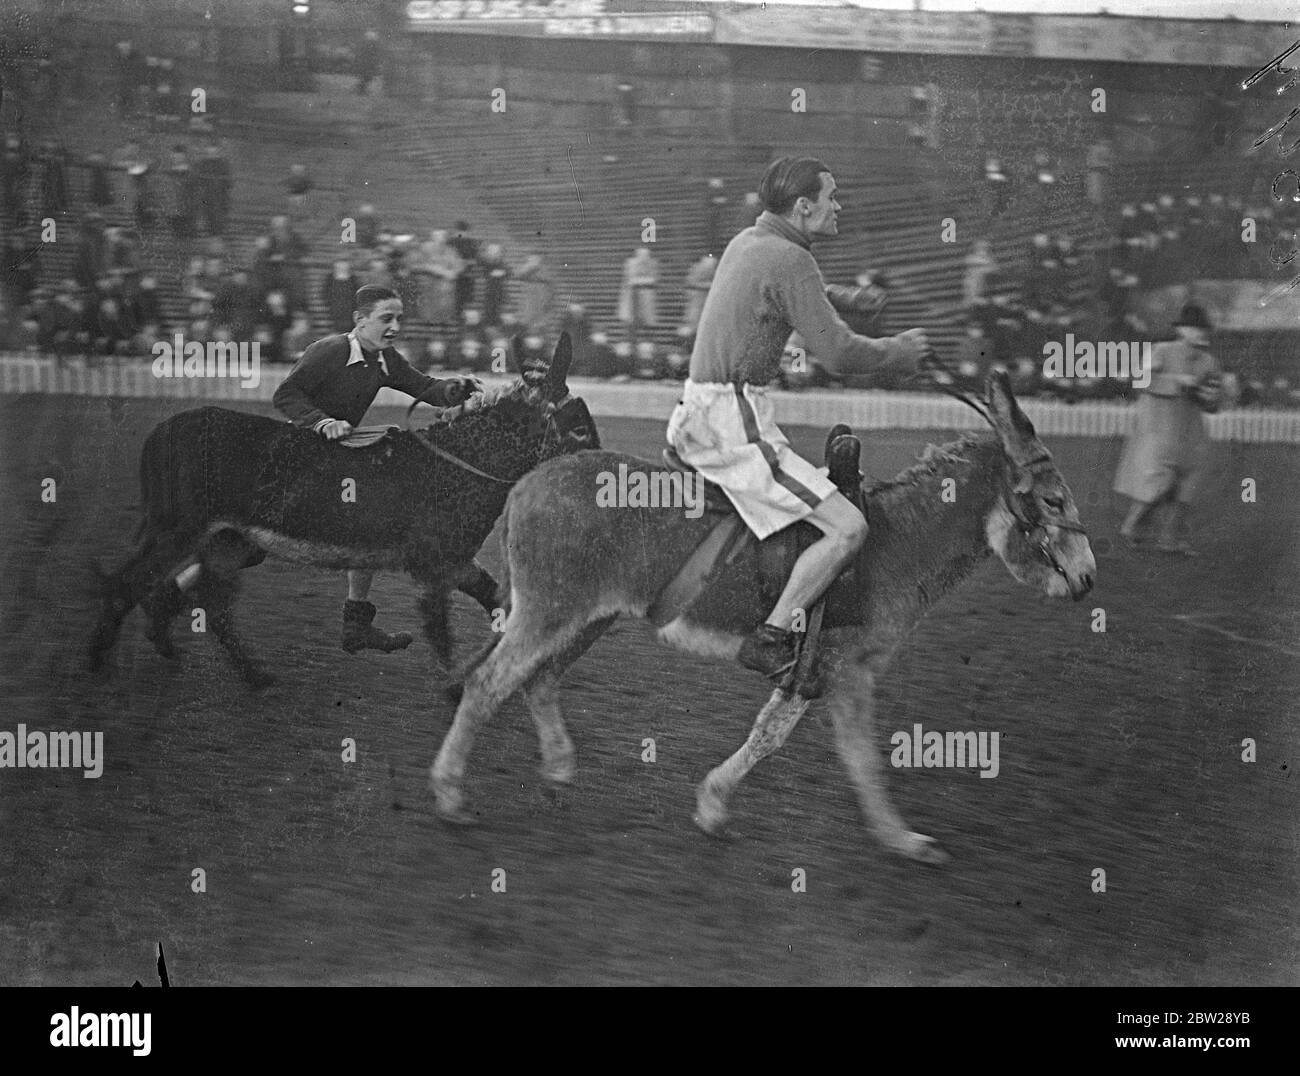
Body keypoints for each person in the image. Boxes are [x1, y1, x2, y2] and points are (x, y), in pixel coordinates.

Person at [667, 157, 929, 678]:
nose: (839, 206)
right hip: (731, 421)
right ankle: (772, 635)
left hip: (702, 408)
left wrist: (844, 297)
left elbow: (786, 291)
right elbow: (837, 355)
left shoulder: (750, 241)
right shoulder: (791, 261)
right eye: (832, 197)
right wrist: (900, 352)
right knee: (849, 529)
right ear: (804, 207)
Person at [272, 285, 481, 652]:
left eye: (399, 318)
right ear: (360, 320)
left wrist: (455, 389)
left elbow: (424, 387)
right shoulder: (331, 350)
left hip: (339, 451)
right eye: (387, 318)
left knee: (368, 517)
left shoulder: (385, 358)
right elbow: (285, 395)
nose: (395, 326)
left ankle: (356, 624)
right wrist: (322, 422)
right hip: (304, 451)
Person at [1113, 304, 1222, 556]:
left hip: (1191, 431)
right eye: (1195, 328)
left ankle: (1171, 540)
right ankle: (1132, 527)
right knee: (1158, 485)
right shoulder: (1161, 350)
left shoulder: (1210, 362)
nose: (1201, 334)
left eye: (1204, 329)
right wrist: (1177, 381)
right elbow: (1140, 380)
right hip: (1157, 427)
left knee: (1187, 488)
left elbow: (1213, 405)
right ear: (1182, 330)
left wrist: (1212, 396)